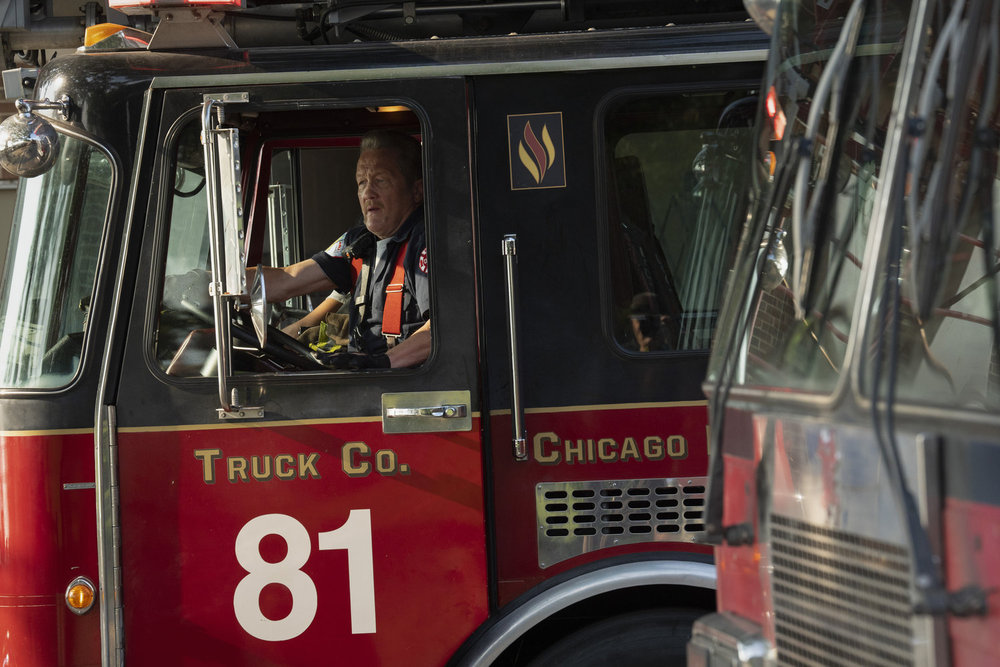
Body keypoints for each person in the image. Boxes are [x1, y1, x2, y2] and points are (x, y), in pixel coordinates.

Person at [256, 129, 430, 369]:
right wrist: (221, 285)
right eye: (362, 182)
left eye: (380, 181)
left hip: (402, 383)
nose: (368, 193)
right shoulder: (359, 241)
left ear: (417, 191)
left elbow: (444, 330)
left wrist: (381, 363)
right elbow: (287, 279)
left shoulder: (426, 241)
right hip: (364, 375)